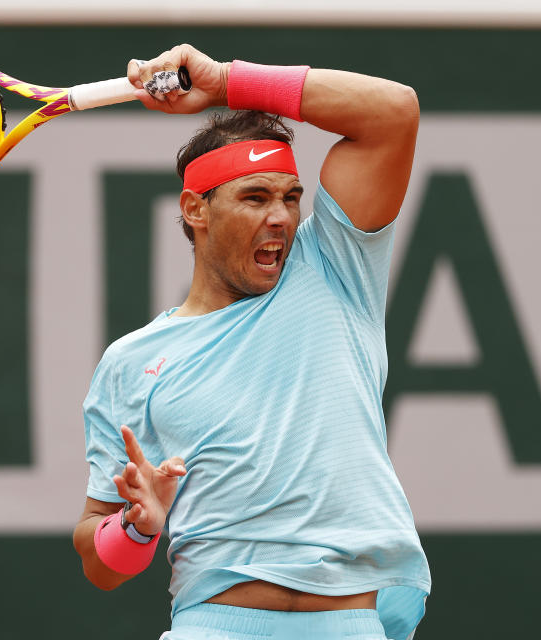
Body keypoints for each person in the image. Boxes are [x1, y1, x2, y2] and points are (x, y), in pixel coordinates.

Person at [73, 44, 431, 640]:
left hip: (347, 624)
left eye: (291, 197)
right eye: (256, 197)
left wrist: (225, 83)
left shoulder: (335, 266)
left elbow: (394, 111)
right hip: (213, 626)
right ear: (196, 209)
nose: (284, 218)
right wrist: (136, 528)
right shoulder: (130, 362)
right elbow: (98, 562)